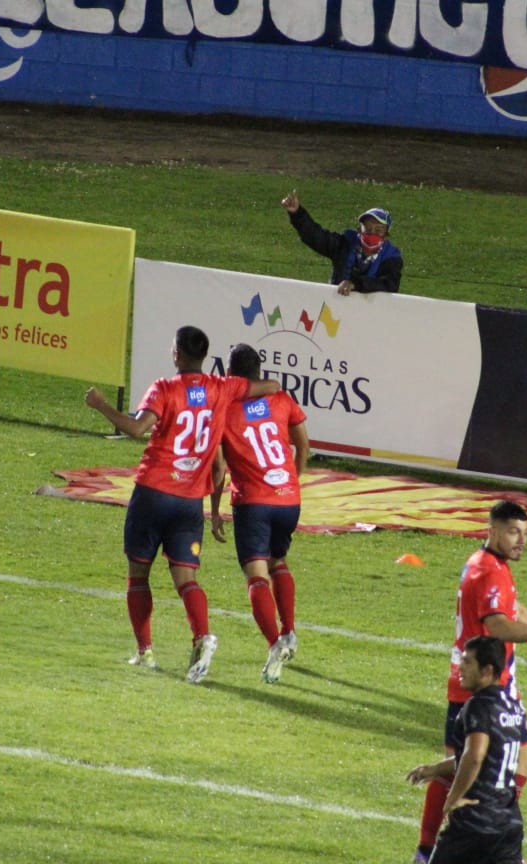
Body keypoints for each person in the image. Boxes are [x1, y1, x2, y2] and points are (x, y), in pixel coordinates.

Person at [86, 325, 279, 683]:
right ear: (204, 357)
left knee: (138, 573)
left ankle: (145, 652)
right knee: (186, 578)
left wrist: (100, 405)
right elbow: (271, 387)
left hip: (154, 493)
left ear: (176, 354)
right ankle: (202, 636)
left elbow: (135, 428)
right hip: (191, 500)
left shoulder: (164, 388)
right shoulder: (222, 388)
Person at [412, 500, 527, 864]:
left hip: (496, 684)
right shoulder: (489, 572)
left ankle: (481, 839)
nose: (521, 540)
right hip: (477, 685)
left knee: (515, 763)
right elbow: (498, 625)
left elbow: (513, 608)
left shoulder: (492, 566)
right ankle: (438, 848)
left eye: (525, 533)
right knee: (464, 765)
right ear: (491, 530)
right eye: (512, 532)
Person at [208, 343, 310, 684]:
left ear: (230, 375)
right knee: (278, 562)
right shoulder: (282, 400)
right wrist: (294, 481)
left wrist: (214, 510)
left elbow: (219, 469)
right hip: (288, 500)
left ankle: (275, 644)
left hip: (253, 502)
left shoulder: (224, 409)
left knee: (256, 576)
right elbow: (303, 444)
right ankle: (290, 631)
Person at [406, 636, 527, 864]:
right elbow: (489, 755)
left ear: (487, 670)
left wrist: (453, 799)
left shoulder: (478, 706)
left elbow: (474, 756)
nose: (459, 667)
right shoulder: (513, 706)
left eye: (468, 662)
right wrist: (435, 769)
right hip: (507, 821)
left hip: (474, 822)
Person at [281, 190, 402, 295]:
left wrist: (356, 284)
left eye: (379, 230)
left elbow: (389, 284)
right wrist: (297, 213)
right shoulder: (345, 244)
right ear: (359, 229)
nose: (372, 233)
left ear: (386, 235)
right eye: (368, 228)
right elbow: (315, 236)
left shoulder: (391, 257)